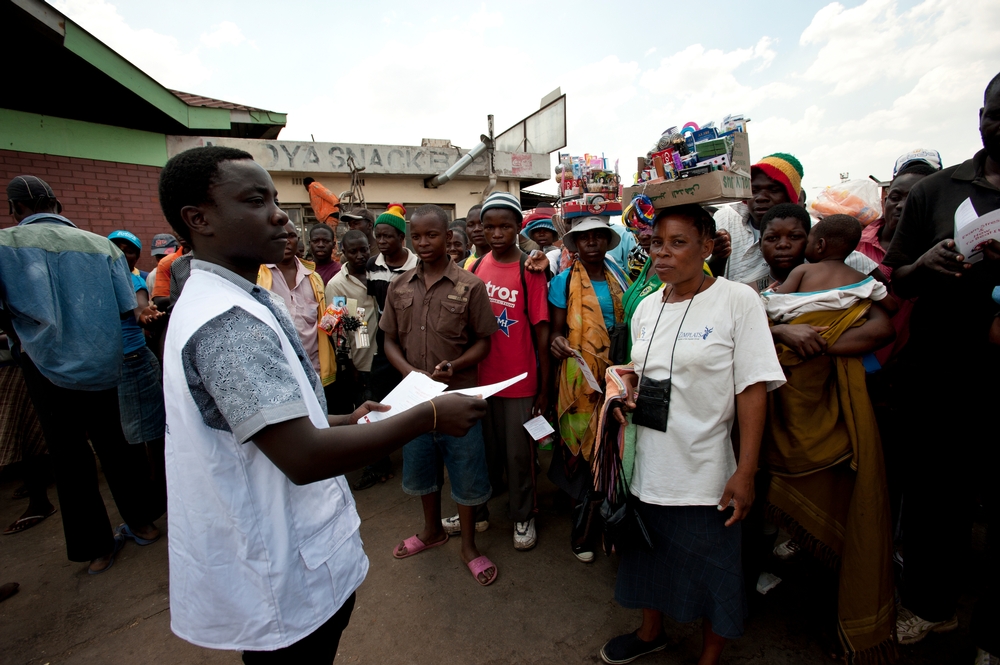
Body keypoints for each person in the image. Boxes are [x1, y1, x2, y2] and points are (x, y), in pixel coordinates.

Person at [157, 146, 485, 662]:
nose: (280, 215)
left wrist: (341, 417)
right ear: (198, 220)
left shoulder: (239, 297)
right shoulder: (227, 323)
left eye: (274, 198)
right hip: (280, 571)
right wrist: (430, 415)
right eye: (255, 200)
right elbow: (303, 455)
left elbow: (258, 420)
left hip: (284, 551)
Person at [600, 204, 785, 665]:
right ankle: (650, 634)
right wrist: (621, 386)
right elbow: (644, 374)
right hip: (646, 464)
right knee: (646, 557)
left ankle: (709, 657)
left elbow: (752, 389)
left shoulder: (736, 300)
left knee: (712, 572)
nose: (662, 254)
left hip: (706, 471)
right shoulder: (645, 307)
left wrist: (746, 471)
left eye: (678, 243)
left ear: (707, 246)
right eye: (656, 243)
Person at [882, 73, 1000, 664]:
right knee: (936, 501)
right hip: (941, 372)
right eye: (995, 114)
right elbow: (896, 277)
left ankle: (995, 636)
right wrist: (924, 263)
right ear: (980, 117)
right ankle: (930, 607)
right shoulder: (937, 191)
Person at [757, 204, 898, 662]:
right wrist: (784, 332)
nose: (782, 245)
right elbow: (754, 324)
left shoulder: (800, 279)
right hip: (775, 413)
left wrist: (816, 343)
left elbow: (881, 327)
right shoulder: (853, 283)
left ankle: (823, 601)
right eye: (772, 237)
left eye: (794, 237)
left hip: (828, 411)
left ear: (811, 242)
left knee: (832, 506)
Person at [0, 175, 161, 574]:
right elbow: (129, 307)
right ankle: (143, 523)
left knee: (69, 455)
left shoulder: (5, 245)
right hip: (103, 361)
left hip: (43, 365)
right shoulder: (100, 245)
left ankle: (97, 549)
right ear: (57, 205)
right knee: (116, 443)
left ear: (15, 209)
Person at [380, 204, 499, 586]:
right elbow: (389, 340)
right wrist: (408, 371)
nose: (424, 242)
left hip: (459, 399)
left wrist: (458, 363)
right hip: (414, 400)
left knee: (466, 471)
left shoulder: (470, 285)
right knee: (420, 469)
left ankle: (468, 546)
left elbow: (484, 342)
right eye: (417, 236)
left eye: (432, 235)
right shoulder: (398, 286)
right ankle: (432, 531)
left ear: (449, 237)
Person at [468, 192, 551, 551]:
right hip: (482, 380)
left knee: (520, 457)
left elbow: (541, 331)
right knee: (483, 452)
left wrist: (543, 389)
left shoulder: (529, 269)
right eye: (490, 227)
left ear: (519, 228)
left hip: (519, 380)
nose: (497, 233)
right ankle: (479, 510)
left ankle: (523, 515)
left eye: (505, 226)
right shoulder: (475, 267)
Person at [548, 216, 631, 562]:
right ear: (575, 246)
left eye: (599, 237)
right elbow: (555, 331)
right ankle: (582, 527)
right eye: (585, 239)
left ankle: (608, 520)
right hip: (579, 376)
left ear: (607, 242)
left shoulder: (621, 278)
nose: (592, 243)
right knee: (578, 446)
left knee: (611, 445)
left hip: (615, 374)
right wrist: (558, 343)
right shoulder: (564, 282)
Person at [712, 153, 881, 292]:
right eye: (754, 190)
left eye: (773, 190)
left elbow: (869, 272)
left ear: (791, 196)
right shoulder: (725, 219)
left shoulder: (813, 230)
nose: (761, 197)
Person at [108, 230, 168, 522]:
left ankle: (158, 496)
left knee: (149, 436)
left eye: (129, 250)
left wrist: (145, 314)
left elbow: (140, 307)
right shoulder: (96, 281)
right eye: (116, 248)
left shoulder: (133, 282)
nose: (122, 254)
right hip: (107, 368)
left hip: (133, 363)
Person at [360, 203, 418, 489]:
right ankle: (378, 463)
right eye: (378, 236)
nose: (382, 241)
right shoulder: (372, 266)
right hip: (386, 340)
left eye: (388, 236)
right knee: (380, 399)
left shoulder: (418, 264)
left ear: (401, 238)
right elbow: (375, 305)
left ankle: (417, 456)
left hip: (414, 339)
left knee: (413, 399)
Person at [258, 222, 336, 405]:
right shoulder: (258, 276)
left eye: (291, 236)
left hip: (314, 371)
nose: (286, 241)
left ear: (298, 240)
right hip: (277, 374)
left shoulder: (313, 278)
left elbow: (323, 324)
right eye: (280, 236)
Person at [766, 214, 888, 307]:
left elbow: (776, 301)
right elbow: (892, 306)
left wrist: (768, 293)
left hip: (805, 326)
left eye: (808, 242)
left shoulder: (802, 270)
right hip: (839, 330)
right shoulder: (862, 279)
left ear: (820, 245)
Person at [0, 330, 53, 535]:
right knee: (24, 436)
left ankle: (39, 501)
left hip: (15, 364)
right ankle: (38, 497)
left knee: (24, 436)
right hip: (20, 359)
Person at [324, 231, 378, 422]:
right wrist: (349, 365)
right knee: (367, 415)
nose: (359, 256)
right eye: (353, 251)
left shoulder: (378, 274)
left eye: (363, 250)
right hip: (360, 362)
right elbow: (336, 328)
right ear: (343, 251)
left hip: (384, 359)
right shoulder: (337, 285)